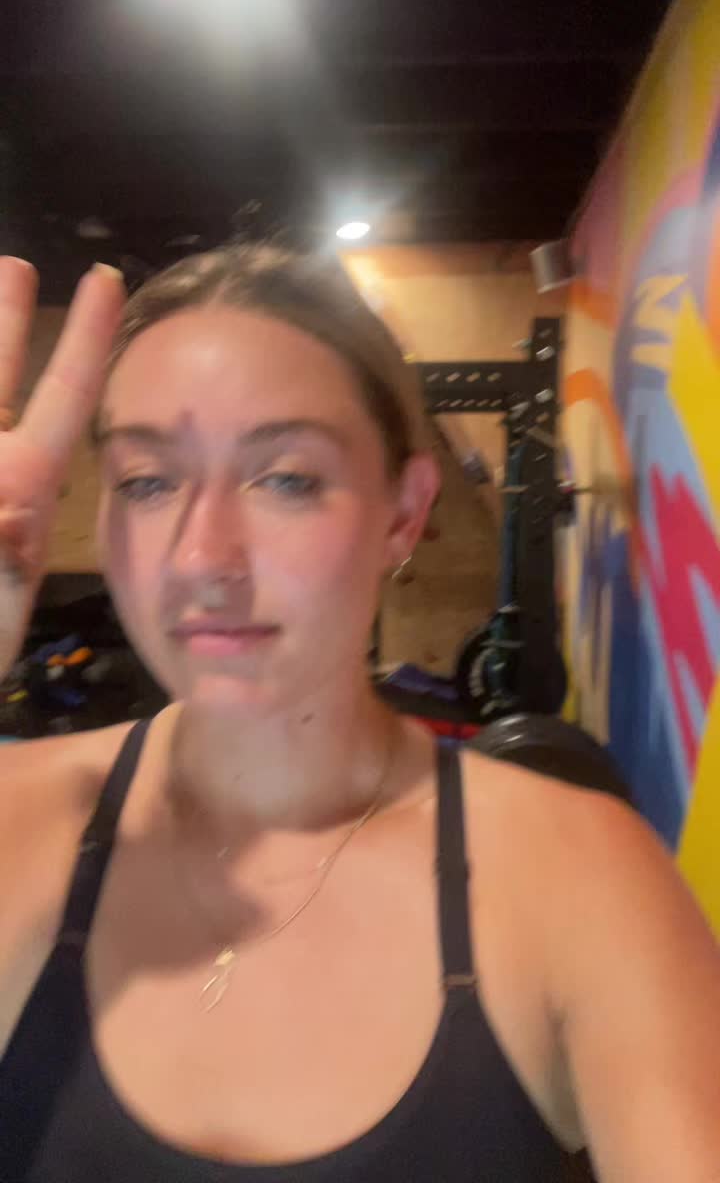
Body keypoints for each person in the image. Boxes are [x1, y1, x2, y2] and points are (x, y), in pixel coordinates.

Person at [0, 247, 718, 1183]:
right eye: (148, 480)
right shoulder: (14, 825)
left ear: (403, 513)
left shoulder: (578, 878)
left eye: (286, 478)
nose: (202, 557)